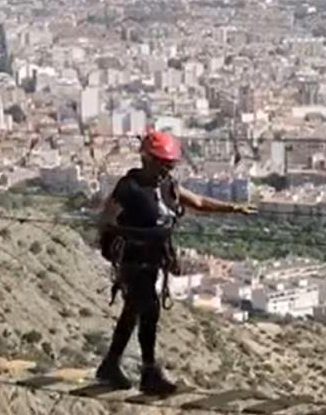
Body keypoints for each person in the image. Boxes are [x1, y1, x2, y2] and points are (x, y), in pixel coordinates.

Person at [95, 130, 255, 395]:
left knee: (134, 311)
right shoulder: (129, 187)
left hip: (153, 260)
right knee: (149, 311)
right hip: (134, 261)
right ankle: (148, 372)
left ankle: (111, 365)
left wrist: (233, 208)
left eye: (169, 165)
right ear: (147, 159)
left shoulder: (168, 186)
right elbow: (106, 219)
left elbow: (200, 202)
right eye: (162, 164)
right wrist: (129, 237)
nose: (166, 169)